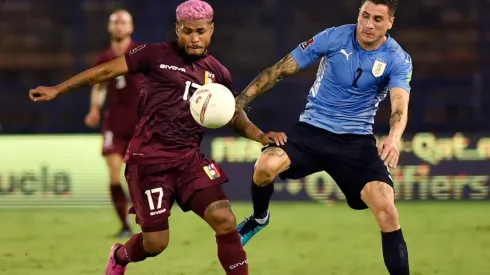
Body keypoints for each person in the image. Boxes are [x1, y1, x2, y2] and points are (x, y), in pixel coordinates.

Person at [29, 1, 286, 274]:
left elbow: (233, 115)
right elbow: (104, 71)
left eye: (200, 30)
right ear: (177, 29)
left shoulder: (218, 73)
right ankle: (119, 255)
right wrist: (58, 89)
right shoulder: (154, 55)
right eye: (187, 31)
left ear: (211, 30)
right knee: (156, 243)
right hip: (148, 162)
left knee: (224, 219)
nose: (194, 37)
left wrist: (260, 136)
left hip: (189, 160)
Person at [235, 0, 412, 274]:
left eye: (378, 19)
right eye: (364, 16)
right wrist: (241, 101)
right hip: (312, 130)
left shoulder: (397, 58)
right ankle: (259, 219)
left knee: (387, 210)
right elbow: (280, 69)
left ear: (390, 23)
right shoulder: (334, 37)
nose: (367, 24)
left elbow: (399, 106)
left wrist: (393, 137)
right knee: (264, 167)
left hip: (356, 141)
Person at [84, 9, 142, 238]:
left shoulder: (140, 53)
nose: (119, 26)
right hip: (114, 125)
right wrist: (95, 108)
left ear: (131, 28)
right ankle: (125, 225)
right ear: (109, 28)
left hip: (139, 124)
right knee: (114, 175)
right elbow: (99, 86)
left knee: (138, 176)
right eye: (115, 22)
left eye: (123, 22)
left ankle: (149, 216)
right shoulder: (104, 58)